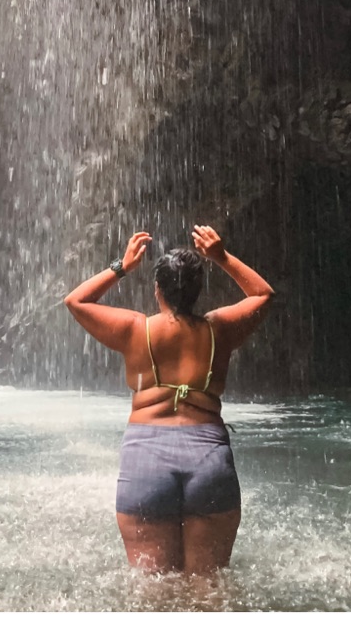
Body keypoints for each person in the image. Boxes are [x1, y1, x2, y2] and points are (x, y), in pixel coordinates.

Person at [63, 224, 274, 575]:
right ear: (198, 291)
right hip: (208, 456)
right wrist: (221, 257)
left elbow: (76, 300)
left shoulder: (134, 329)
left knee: (151, 591)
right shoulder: (218, 329)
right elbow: (263, 295)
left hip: (146, 459)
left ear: (157, 289)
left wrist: (123, 266)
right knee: (209, 589)